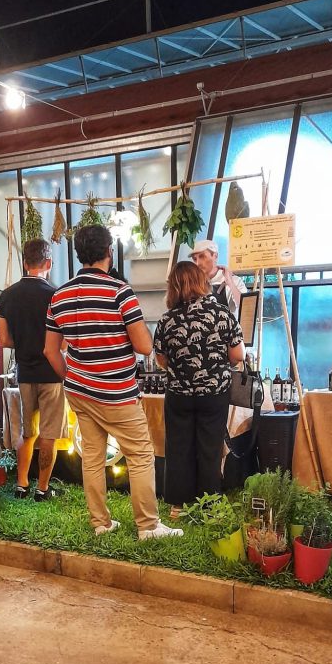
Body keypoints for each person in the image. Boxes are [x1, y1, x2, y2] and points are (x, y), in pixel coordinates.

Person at [44, 224, 182, 541]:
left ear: (79, 254)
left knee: (92, 458)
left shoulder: (58, 295)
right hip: (116, 392)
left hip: (79, 392)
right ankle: (148, 526)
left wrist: (71, 377)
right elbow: (144, 346)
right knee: (140, 454)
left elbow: (50, 351)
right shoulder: (120, 292)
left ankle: (101, 523)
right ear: (109, 251)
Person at [153, 262, 245, 517]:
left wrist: (182, 367)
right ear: (202, 282)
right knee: (210, 447)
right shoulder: (221, 313)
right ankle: (209, 504)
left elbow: (161, 359)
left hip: (179, 394)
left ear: (173, 287)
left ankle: (178, 505)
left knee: (178, 446)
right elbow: (238, 354)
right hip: (214, 393)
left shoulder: (167, 319)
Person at [0, 239, 65, 501]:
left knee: (27, 432)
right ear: (49, 263)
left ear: (25, 262)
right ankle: (42, 489)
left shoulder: (7, 295)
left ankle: (21, 484)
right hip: (51, 373)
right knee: (49, 434)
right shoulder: (56, 295)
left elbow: (4, 340)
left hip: (24, 373)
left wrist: (25, 343)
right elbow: (64, 342)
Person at [188, 239, 245, 317]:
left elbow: (245, 307)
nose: (198, 263)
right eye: (195, 259)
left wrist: (230, 283)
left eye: (202, 256)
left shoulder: (234, 280)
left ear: (215, 256)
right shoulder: (192, 283)